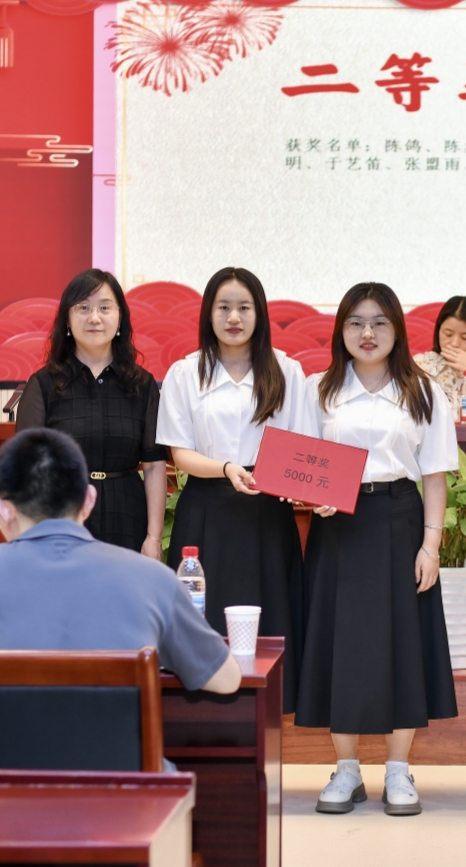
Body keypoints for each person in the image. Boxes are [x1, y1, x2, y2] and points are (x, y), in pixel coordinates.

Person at [296, 282, 461, 816]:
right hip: (338, 526)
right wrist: (310, 497)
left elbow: (434, 476)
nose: (367, 333)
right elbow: (301, 464)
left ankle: (397, 769)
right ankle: (345, 769)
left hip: (399, 518)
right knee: (339, 641)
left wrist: (431, 545)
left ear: (397, 329)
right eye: (355, 322)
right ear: (340, 329)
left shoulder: (424, 391)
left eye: (379, 323)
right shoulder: (317, 389)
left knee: (402, 643)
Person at [0, 428, 241, 695]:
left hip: (0, 747)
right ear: (89, 500)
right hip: (116, 747)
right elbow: (226, 680)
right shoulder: (153, 579)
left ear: (3, 509)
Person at [156, 267, 310, 710]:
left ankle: (269, 715)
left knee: (270, 618)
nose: (234, 317)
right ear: (209, 313)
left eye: (244, 307)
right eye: (223, 307)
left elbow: (302, 447)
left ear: (259, 313)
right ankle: (201, 711)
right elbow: (179, 454)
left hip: (267, 510)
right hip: (206, 509)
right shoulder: (186, 373)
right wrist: (226, 469)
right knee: (203, 617)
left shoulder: (288, 371)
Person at [16, 269, 167, 557]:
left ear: (120, 318)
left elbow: (153, 466)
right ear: (67, 319)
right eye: (83, 308)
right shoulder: (43, 385)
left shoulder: (142, 385)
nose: (94, 317)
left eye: (105, 308)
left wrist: (153, 537)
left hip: (128, 515)